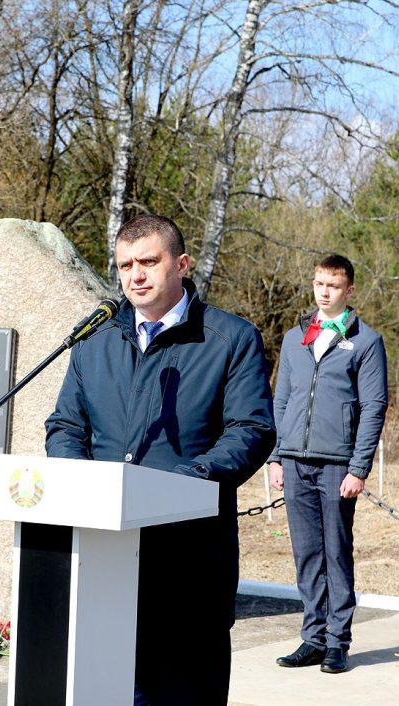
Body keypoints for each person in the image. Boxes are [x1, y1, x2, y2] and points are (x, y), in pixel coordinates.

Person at [45, 213, 276, 705]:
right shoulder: (95, 338)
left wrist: (181, 486)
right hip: (105, 556)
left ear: (182, 265)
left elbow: (252, 430)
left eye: (149, 261)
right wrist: (84, 487)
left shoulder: (230, 339)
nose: (136, 275)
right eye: (125, 265)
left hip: (189, 561)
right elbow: (65, 427)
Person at [268, 254, 388, 674]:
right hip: (295, 461)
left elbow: (374, 406)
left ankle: (338, 641)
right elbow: (281, 399)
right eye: (319, 283)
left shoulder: (366, 342)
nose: (323, 291)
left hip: (338, 464)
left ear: (349, 290)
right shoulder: (293, 338)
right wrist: (276, 456)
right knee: (306, 555)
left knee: (336, 554)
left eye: (333, 285)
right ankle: (312, 638)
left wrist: (359, 468)